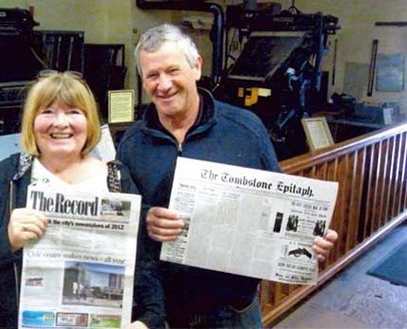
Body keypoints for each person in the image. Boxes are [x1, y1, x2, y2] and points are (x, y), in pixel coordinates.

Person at [116, 23, 339, 328]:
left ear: (196, 67)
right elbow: (119, 224)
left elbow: (281, 204)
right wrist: (145, 218)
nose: (163, 84)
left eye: (173, 70)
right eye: (152, 75)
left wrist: (311, 239)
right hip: (163, 313)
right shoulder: (132, 144)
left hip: (233, 310)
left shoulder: (245, 129)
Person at [0, 71, 165, 328]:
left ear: (89, 121)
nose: (61, 123)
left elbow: (144, 266)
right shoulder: (7, 177)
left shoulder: (117, 179)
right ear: (31, 122)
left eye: (73, 112)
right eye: (47, 112)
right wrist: (6, 240)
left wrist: (148, 321)